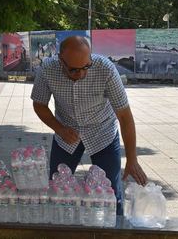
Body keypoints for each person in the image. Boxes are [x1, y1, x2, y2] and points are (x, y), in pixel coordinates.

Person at [31, 36, 147, 215]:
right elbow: (39, 104)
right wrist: (59, 128)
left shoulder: (105, 69)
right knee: (56, 189)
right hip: (66, 132)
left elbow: (124, 116)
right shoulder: (47, 69)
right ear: (61, 60)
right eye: (74, 70)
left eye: (86, 66)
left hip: (103, 132)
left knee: (110, 194)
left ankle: (113, 230)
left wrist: (132, 159)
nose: (82, 74)